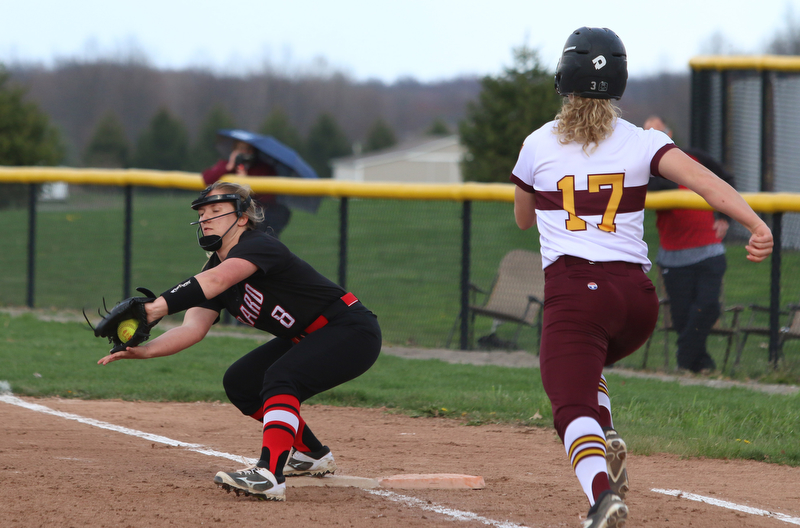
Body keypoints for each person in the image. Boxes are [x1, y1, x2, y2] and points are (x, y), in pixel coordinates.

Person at [510, 27, 772, 528]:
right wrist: (756, 224)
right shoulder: (645, 141)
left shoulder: (538, 143)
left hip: (575, 291)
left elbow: (523, 219)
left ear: (564, 81)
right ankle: (604, 433)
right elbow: (707, 183)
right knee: (588, 369)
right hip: (636, 301)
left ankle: (601, 497)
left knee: (569, 405)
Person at [97, 180, 382, 502]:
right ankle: (312, 455)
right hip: (309, 336)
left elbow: (217, 280)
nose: (206, 218)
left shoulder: (259, 246)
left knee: (281, 377)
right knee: (242, 382)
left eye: (216, 211)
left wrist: (154, 308)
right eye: (202, 213)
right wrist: (145, 350)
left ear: (243, 217)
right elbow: (193, 327)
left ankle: (269, 474)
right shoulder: (213, 270)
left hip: (350, 330)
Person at [644, 115, 733, 373]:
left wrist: (724, 216)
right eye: (648, 134)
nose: (655, 140)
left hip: (709, 250)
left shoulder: (693, 157)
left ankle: (684, 360)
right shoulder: (645, 168)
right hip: (673, 256)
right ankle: (702, 364)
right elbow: (664, 185)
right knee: (683, 317)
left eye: (659, 133)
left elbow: (726, 178)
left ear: (670, 134)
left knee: (708, 306)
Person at [202, 140, 292, 237]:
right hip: (232, 212)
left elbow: (269, 196)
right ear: (234, 150)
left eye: (248, 149)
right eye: (241, 148)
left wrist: (247, 183)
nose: (244, 152)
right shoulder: (225, 165)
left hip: (259, 214)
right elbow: (207, 178)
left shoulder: (264, 168)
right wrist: (229, 167)